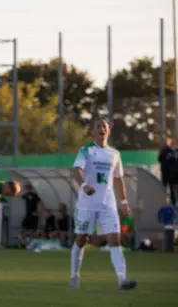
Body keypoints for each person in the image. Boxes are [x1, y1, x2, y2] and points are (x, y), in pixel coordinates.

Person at [69, 118, 137, 290]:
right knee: (81, 239)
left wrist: (124, 202)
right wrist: (84, 186)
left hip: (108, 204)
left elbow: (118, 179)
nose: (101, 129)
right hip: (87, 203)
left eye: (104, 126)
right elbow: (76, 170)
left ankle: (122, 279)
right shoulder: (86, 150)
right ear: (93, 132)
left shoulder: (114, 154)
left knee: (115, 239)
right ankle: (75, 274)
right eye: (97, 126)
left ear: (108, 131)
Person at [158, 138, 177, 206]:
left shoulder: (171, 151)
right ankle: (171, 203)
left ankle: (170, 203)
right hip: (169, 175)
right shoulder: (169, 151)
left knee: (167, 189)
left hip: (168, 175)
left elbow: (159, 159)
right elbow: (159, 159)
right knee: (168, 189)